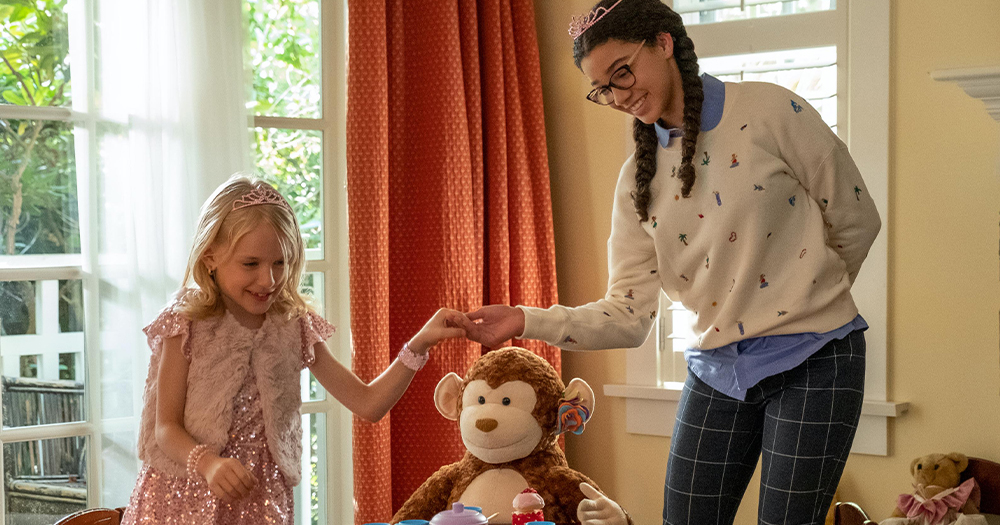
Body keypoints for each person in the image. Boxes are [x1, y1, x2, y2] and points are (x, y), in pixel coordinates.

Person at [465, 0, 881, 524]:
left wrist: (806, 294)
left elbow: (856, 219)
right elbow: (628, 315)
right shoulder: (634, 183)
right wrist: (527, 320)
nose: (619, 95)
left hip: (819, 357)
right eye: (604, 88)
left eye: (623, 72)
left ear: (663, 43)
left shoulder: (773, 112)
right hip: (717, 367)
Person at [121, 175, 470, 524]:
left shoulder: (294, 326)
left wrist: (421, 342)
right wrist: (207, 463)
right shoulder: (185, 324)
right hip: (179, 503)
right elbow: (164, 428)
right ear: (210, 256)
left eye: (280, 263)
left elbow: (368, 404)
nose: (268, 280)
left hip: (261, 505)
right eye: (251, 264)